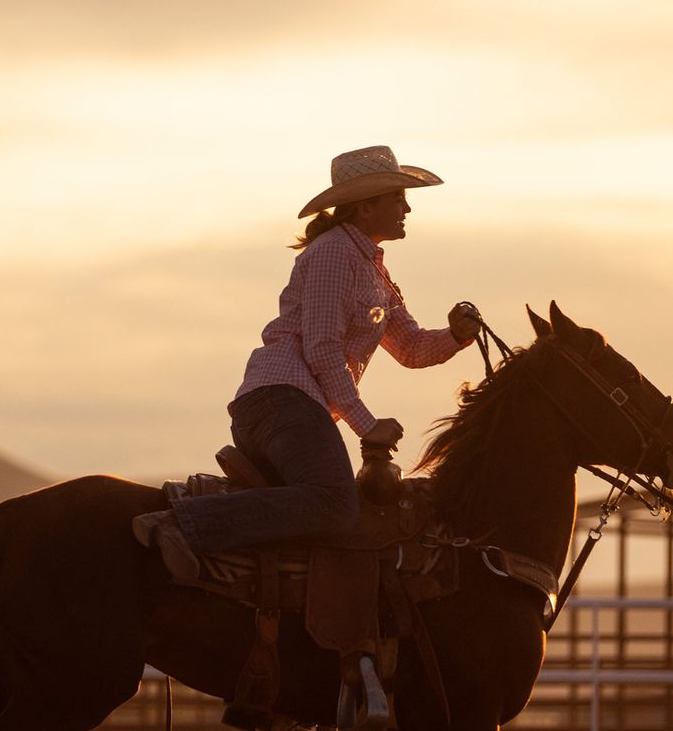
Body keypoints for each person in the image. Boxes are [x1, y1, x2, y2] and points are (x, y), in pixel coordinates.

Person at [133, 145, 482, 575]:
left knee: (321, 507)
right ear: (365, 207)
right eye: (396, 197)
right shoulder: (335, 254)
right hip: (283, 402)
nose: (407, 206)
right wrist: (366, 425)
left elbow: (409, 347)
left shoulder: (373, 270)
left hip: (285, 406)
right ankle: (182, 526)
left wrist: (457, 336)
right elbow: (321, 348)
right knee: (336, 501)